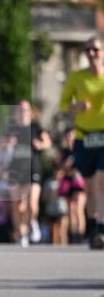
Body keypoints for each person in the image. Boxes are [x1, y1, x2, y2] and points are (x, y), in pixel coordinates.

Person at [59, 36, 104, 249]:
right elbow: (63, 104)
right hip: (84, 136)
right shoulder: (77, 77)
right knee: (89, 187)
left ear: (103, 52)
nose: (91, 54)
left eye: (95, 49)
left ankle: (102, 228)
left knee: (102, 181)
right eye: (88, 50)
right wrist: (77, 108)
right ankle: (94, 227)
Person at [1, 100, 52, 246]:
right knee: (18, 205)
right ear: (16, 112)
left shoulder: (36, 127)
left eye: (25, 110)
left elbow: (48, 142)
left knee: (32, 203)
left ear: (30, 112)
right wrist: (8, 143)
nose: (23, 112)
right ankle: (20, 233)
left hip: (32, 169)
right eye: (20, 110)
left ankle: (33, 222)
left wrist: (40, 144)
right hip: (15, 170)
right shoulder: (11, 128)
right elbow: (1, 146)